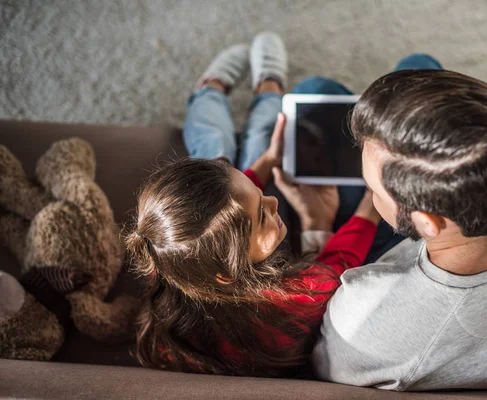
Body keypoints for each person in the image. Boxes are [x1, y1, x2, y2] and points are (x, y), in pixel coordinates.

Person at [311, 58, 487, 390]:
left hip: (384, 272)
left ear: (427, 223)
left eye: (373, 190)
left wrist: (316, 225)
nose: (370, 195)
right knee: (419, 66)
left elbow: (309, 355)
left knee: (317, 91)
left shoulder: (363, 321)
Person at [125, 32, 381, 377]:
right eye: (263, 214)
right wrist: (374, 199)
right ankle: (263, 87)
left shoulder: (172, 257)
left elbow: (230, 205)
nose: (274, 198)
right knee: (235, 140)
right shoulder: (297, 300)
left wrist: (264, 163)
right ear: (226, 271)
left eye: (260, 194)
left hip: (224, 233)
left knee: (221, 150)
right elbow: (338, 263)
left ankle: (215, 88)